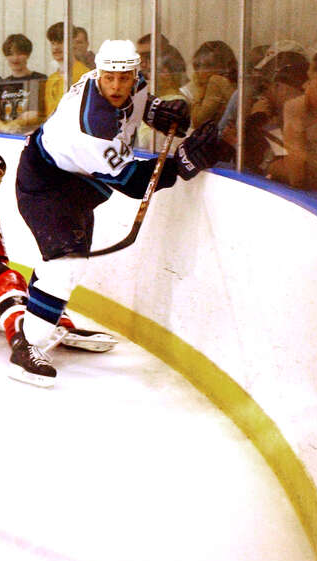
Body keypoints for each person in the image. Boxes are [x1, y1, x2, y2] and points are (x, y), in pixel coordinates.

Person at [12, 39, 232, 385]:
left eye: (124, 78)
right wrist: (183, 164)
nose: (116, 86)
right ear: (98, 73)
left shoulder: (135, 85)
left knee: (66, 257)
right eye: (109, 78)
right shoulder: (90, 125)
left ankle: (45, 317)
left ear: (135, 74)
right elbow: (132, 182)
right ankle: (27, 347)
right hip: (45, 184)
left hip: (76, 182)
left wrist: (160, 112)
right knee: (66, 260)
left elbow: (141, 105)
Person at [0, 151, 118, 385]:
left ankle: (57, 323)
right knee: (10, 278)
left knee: (24, 284)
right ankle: (22, 347)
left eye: (0, 178)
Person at [266, 51, 317, 190]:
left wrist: (272, 167)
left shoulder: (303, 115)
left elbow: (296, 178)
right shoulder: (273, 122)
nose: (305, 86)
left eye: (310, 80)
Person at [0, 33, 47, 134]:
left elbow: (35, 114)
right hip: (7, 137)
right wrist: (5, 128)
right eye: (10, 54)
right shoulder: (2, 84)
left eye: (19, 53)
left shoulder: (39, 79)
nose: (15, 58)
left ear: (28, 54)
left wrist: (15, 124)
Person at [42, 22, 89, 119]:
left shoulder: (84, 75)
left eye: (60, 42)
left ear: (73, 43)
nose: (55, 47)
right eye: (53, 43)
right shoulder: (52, 78)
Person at [187, 40, 237, 128]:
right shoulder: (231, 83)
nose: (201, 72)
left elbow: (197, 121)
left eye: (208, 66)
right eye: (198, 66)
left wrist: (199, 90)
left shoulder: (216, 81)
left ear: (223, 66)